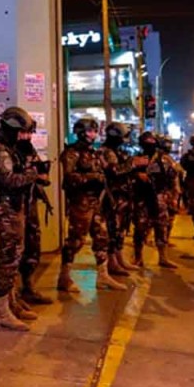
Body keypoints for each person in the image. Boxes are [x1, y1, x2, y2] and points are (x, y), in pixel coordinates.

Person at [0, 107, 52, 332]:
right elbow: (10, 180)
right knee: (9, 256)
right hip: (6, 207)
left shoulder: (15, 149)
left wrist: (36, 172)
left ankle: (11, 301)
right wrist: (33, 174)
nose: (26, 137)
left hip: (19, 204)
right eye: (22, 132)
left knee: (18, 253)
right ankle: (2, 310)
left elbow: (36, 171)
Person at [59, 118, 125, 292]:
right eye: (89, 131)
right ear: (80, 132)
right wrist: (91, 178)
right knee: (76, 241)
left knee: (102, 238)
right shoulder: (72, 153)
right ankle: (64, 276)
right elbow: (68, 178)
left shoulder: (94, 153)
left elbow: (107, 171)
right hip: (80, 203)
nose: (92, 135)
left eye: (95, 131)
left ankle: (103, 276)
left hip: (96, 202)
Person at [131, 131, 179, 269]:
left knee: (161, 227)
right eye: (147, 142)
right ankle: (138, 257)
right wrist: (137, 175)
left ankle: (163, 258)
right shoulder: (136, 159)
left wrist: (173, 197)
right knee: (140, 228)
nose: (150, 144)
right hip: (142, 198)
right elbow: (126, 175)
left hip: (160, 197)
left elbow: (174, 178)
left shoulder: (165, 160)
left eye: (152, 141)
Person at [100, 123, 139, 278]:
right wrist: (133, 163)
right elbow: (114, 171)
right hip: (112, 198)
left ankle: (119, 257)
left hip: (123, 197)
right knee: (112, 230)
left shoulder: (118, 151)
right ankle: (112, 261)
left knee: (121, 230)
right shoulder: (105, 152)